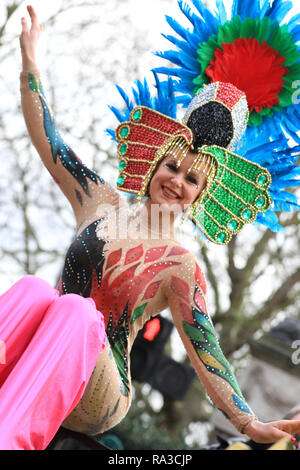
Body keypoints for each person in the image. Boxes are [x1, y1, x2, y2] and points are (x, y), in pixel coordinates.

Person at [0, 4, 299, 450]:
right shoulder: (99, 204)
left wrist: (248, 423)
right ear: (154, 164)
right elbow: (51, 140)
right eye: (172, 167)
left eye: (192, 179)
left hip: (101, 388)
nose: (177, 181)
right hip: (46, 347)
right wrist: (31, 64)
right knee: (33, 292)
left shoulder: (180, 267)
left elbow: (208, 354)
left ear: (200, 195)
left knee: (76, 312)